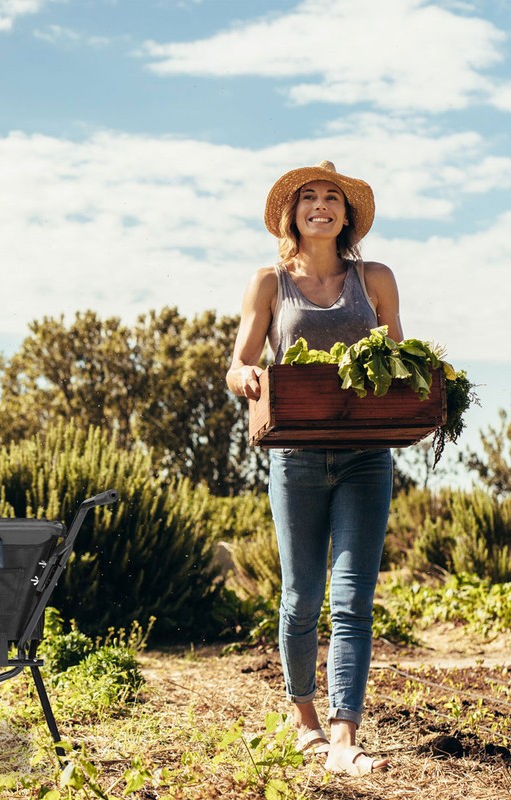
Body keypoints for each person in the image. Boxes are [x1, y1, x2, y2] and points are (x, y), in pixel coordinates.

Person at [226, 160, 402, 776]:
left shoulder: (374, 279)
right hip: (295, 457)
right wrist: (246, 375)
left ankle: (345, 734)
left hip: (364, 459)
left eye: (332, 198)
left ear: (347, 215)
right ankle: (303, 721)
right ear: (292, 214)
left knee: (353, 598)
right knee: (301, 599)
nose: (321, 205)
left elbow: (398, 357)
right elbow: (238, 361)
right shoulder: (270, 284)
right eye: (309, 198)